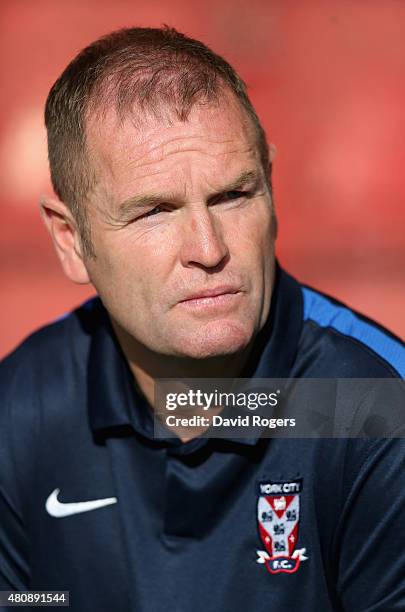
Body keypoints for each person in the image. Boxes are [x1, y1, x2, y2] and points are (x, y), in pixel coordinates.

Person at [0, 26, 404, 612]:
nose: (209, 248)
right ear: (71, 240)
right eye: (155, 212)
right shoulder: (24, 410)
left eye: (233, 196)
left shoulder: (372, 410)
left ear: (270, 183)